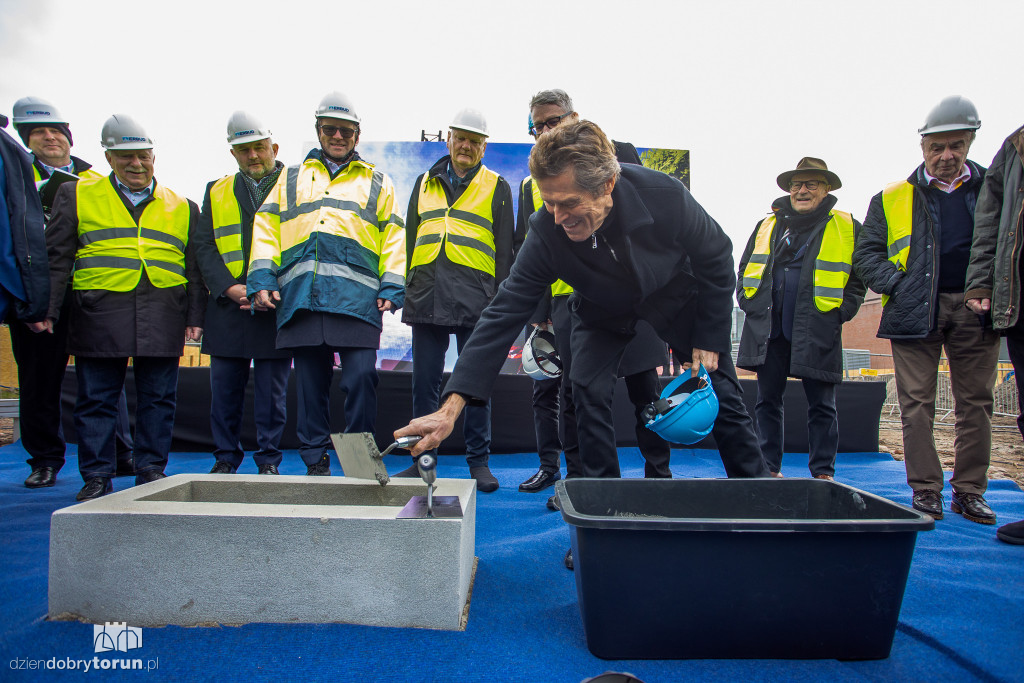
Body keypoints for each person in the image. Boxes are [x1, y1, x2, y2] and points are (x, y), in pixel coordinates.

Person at [396, 120, 768, 567]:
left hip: (671, 294)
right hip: (600, 308)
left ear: (608, 184)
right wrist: (451, 405)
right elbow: (504, 311)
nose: (558, 216)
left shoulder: (663, 194)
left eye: (569, 203)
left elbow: (716, 253)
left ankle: (763, 512)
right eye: (549, 203)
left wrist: (708, 338)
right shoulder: (547, 229)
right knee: (586, 391)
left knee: (722, 391)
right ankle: (602, 522)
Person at [515, 89, 670, 507]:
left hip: (632, 300)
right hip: (570, 304)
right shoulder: (531, 182)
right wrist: (540, 316)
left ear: (574, 117)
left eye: (554, 121)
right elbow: (527, 251)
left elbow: (647, 227)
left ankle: (659, 479)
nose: (546, 130)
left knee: (645, 393)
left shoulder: (617, 155)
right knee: (575, 396)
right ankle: (581, 487)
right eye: (538, 126)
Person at [38, 114, 205, 501]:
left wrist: (196, 318)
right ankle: (97, 473)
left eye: (143, 156)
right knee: (97, 398)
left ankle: (150, 470)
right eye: (125, 156)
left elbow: (193, 270)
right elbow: (58, 256)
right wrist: (46, 309)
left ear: (153, 156)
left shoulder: (182, 205)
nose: (136, 164)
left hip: (163, 310)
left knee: (159, 398)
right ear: (109, 157)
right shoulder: (78, 194)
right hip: (99, 310)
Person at [854, 95, 998, 524]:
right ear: (923, 147)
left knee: (976, 403)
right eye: (937, 147)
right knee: (916, 404)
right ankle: (926, 489)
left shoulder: (994, 189)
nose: (946, 156)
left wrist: (992, 289)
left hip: (977, 311)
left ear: (970, 142)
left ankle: (970, 491)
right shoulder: (892, 198)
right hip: (914, 311)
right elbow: (867, 255)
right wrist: (901, 283)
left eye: (956, 145)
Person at [247, 92, 405, 476]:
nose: (338, 136)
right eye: (330, 129)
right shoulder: (289, 178)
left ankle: (359, 462)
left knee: (360, 379)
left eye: (345, 130)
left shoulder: (377, 182)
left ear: (357, 134)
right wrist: (262, 278)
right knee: (310, 387)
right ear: (319, 131)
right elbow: (266, 228)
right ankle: (315, 460)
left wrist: (391, 286)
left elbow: (395, 235)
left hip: (357, 301)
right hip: (302, 298)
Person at [9, 97, 134, 490]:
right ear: (24, 139)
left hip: (90, 294)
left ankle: (119, 451)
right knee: (38, 379)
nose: (49, 138)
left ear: (69, 137)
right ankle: (45, 458)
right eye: (38, 133)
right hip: (35, 294)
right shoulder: (13, 176)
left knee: (105, 380)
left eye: (55, 132)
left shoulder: (97, 180)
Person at [397, 108, 513, 492]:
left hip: (476, 298)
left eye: (474, 140)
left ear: (484, 146)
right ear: (448, 139)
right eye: (460, 138)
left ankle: (478, 462)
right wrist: (407, 286)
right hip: (427, 293)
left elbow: (505, 249)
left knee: (474, 384)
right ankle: (422, 460)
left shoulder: (497, 186)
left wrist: (499, 302)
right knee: (424, 384)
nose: (466, 146)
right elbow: (412, 238)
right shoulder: (423, 182)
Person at [737, 158, 865, 480]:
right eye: (797, 184)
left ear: (826, 189)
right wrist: (747, 302)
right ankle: (768, 469)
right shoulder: (767, 225)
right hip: (770, 329)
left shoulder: (847, 226)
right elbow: (744, 269)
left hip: (817, 328)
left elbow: (859, 279)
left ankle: (822, 472)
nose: (802, 190)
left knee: (822, 405)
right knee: (767, 402)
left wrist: (840, 313)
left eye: (811, 184)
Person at [194, 112, 291, 475]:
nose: (253, 156)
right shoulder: (215, 190)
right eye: (244, 150)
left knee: (272, 396)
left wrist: (274, 288)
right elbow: (204, 246)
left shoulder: (297, 186)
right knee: (224, 394)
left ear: (274, 147)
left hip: (276, 307)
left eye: (259, 148)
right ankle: (225, 458)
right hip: (228, 308)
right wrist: (230, 288)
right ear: (233, 153)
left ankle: (269, 460)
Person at [964, 122, 1024, 544]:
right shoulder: (1015, 148)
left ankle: (969, 490)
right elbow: (991, 222)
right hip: (1018, 297)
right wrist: (983, 282)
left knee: (977, 402)